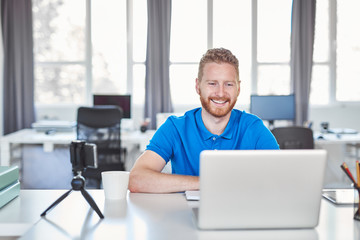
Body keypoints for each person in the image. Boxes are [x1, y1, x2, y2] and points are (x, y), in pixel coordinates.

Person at [129, 48, 279, 193]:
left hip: (241, 215)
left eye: (229, 84)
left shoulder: (253, 127)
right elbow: (136, 180)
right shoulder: (175, 127)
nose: (220, 93)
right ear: (198, 86)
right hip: (183, 216)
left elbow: (282, 179)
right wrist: (206, 183)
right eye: (212, 83)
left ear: (238, 88)